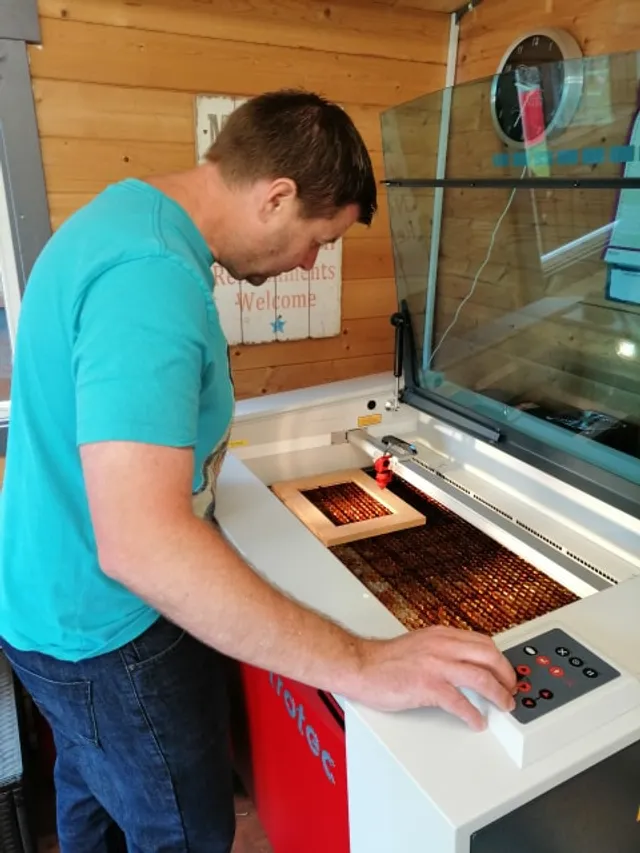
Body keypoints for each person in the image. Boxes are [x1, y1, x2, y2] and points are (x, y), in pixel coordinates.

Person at [0, 89, 516, 852]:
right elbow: (142, 543)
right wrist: (363, 662)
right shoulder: (150, 279)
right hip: (108, 632)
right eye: (319, 239)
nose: (310, 261)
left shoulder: (124, 216)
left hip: (43, 606)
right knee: (188, 829)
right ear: (277, 196)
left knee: (89, 787)